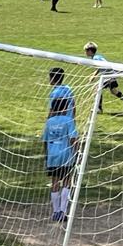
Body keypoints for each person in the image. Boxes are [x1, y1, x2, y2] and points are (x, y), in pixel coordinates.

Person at [43, 91, 78, 223]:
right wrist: (78, 152)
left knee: (55, 182)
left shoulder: (49, 122)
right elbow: (73, 139)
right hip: (66, 155)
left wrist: (46, 156)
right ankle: (63, 211)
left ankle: (55, 211)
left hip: (53, 155)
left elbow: (45, 141)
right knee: (67, 181)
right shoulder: (69, 121)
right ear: (65, 108)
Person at [84, 42, 123, 114]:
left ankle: (99, 109)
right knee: (114, 91)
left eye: (86, 51)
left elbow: (106, 65)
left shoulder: (96, 58)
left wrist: (111, 74)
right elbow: (100, 67)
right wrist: (94, 74)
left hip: (108, 76)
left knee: (96, 89)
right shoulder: (97, 57)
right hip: (110, 75)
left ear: (90, 51)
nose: (85, 53)